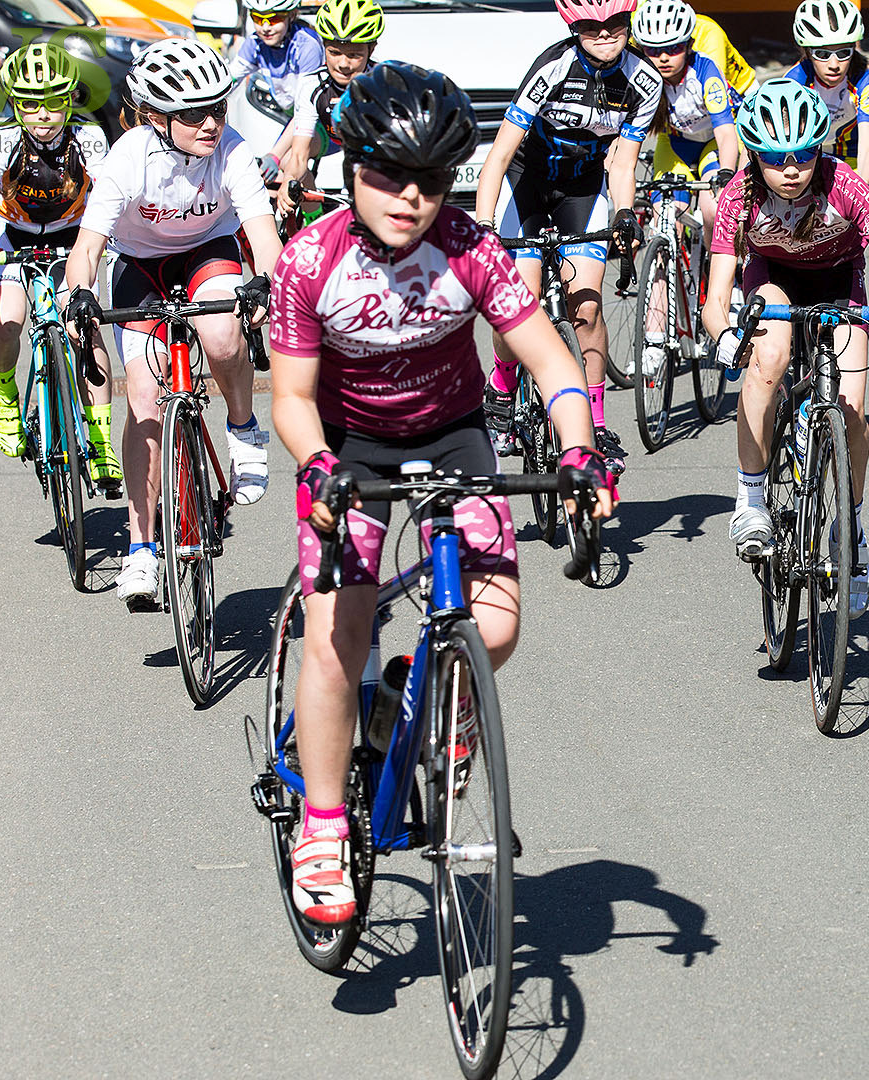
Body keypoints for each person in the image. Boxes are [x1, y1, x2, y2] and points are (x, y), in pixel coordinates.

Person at [269, 64, 617, 926]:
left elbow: (548, 359)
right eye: (388, 173)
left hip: (454, 431)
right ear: (351, 169)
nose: (409, 196)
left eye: (430, 180)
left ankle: (407, 695)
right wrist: (318, 467)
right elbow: (290, 398)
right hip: (346, 447)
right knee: (336, 636)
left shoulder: (470, 246)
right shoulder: (312, 260)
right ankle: (321, 825)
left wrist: (579, 450)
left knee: (494, 624)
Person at [700, 80, 869, 618]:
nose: (790, 169)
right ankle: (751, 498)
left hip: (839, 285)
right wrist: (724, 337)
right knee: (768, 359)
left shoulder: (847, 187)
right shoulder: (738, 197)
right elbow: (716, 299)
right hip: (774, 284)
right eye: (774, 159)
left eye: (803, 155)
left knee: (852, 409)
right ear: (753, 156)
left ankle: (850, 530)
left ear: (821, 149)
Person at [61, 38, 284, 608]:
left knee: (219, 331)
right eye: (193, 114)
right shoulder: (128, 157)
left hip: (208, 250)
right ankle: (141, 549)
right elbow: (87, 248)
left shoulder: (231, 151)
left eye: (219, 107)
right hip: (140, 266)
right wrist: (80, 295)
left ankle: (242, 428)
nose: (211, 123)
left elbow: (263, 235)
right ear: (157, 118)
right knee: (141, 398)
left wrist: (263, 281)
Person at [474, 0, 658, 472]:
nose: (604, 34)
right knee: (521, 301)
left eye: (615, 24)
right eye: (590, 27)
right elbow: (497, 156)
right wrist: (485, 225)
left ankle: (593, 423)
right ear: (573, 26)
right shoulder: (552, 68)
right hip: (527, 183)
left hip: (582, 188)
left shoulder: (644, 81)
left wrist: (623, 213)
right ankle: (501, 380)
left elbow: (621, 162)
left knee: (588, 305)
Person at [0, 42, 118, 490]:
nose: (42, 115)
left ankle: (100, 441)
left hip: (71, 240)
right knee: (7, 325)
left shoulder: (90, 138)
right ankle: (5, 394)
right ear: (15, 103)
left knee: (86, 328)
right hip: (12, 239)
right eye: (30, 104)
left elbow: (109, 197)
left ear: (69, 99)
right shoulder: (3, 140)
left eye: (53, 103)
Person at [630, 0, 742, 380]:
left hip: (713, 142)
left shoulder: (706, 73)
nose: (662, 58)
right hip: (675, 146)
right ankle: (655, 336)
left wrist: (726, 173)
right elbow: (624, 135)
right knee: (664, 232)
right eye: (652, 50)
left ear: (689, 44)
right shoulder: (642, 76)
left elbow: (727, 133)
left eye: (672, 49)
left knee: (712, 209)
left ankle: (725, 274)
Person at [272, 0, 384, 216]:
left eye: (354, 55)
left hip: (372, 148)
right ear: (323, 46)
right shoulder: (312, 84)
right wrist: (289, 182)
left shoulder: (383, 83)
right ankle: (312, 219)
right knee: (289, 164)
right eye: (334, 52)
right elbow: (299, 155)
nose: (343, 64)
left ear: (371, 50)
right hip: (329, 135)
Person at [783, 0, 869, 184]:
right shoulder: (794, 80)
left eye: (844, 53)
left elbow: (867, 147)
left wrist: (860, 200)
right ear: (807, 52)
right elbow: (784, 143)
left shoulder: (864, 78)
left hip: (847, 152)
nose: (834, 65)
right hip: (807, 151)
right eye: (822, 54)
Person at [227, 0, 325, 111]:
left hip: (312, 111)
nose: (265, 28)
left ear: (291, 15)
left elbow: (307, 104)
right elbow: (230, 79)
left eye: (274, 19)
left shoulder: (307, 45)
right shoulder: (255, 42)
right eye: (258, 19)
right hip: (286, 110)